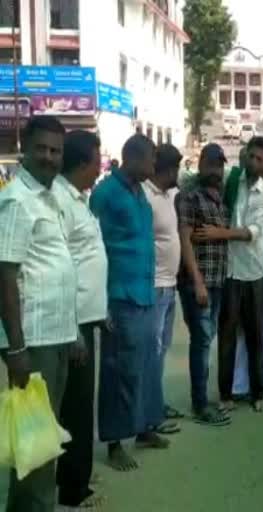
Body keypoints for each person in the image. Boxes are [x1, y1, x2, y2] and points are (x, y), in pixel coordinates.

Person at [0, 116, 77, 512]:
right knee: (37, 452)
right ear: (24, 149)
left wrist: (73, 332)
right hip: (33, 341)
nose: (49, 157)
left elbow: (55, 269)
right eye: (42, 149)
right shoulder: (17, 200)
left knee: (39, 445)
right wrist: (15, 349)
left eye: (56, 151)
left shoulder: (49, 198)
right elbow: (5, 274)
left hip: (55, 335)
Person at [91, 134, 167, 472]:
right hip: (119, 296)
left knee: (147, 366)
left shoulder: (140, 194)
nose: (155, 166)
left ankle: (145, 427)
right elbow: (91, 249)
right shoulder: (106, 194)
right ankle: (115, 442)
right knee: (118, 371)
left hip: (145, 293)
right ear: (135, 158)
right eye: (152, 159)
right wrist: (100, 302)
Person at [54, 130, 108, 509]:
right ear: (83, 162)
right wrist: (74, 329)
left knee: (77, 404)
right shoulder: (61, 201)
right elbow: (63, 270)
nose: (99, 167)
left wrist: (99, 313)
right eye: (97, 159)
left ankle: (74, 474)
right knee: (75, 406)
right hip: (70, 324)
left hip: (86, 319)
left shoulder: (79, 198)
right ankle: (74, 489)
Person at [211, 136, 263, 412]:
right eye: (251, 156)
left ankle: (257, 393)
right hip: (230, 270)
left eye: (260, 159)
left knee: (255, 335)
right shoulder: (232, 178)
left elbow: (251, 233)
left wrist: (219, 234)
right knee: (226, 333)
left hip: (255, 271)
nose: (253, 162)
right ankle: (225, 395)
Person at [176, 143, 231, 426]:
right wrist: (197, 283)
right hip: (198, 283)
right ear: (200, 165)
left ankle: (204, 399)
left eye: (219, 165)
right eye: (210, 164)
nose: (215, 170)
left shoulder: (219, 197)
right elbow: (185, 241)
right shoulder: (189, 197)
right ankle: (199, 405)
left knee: (207, 341)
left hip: (218, 280)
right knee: (201, 343)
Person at [142, 144, 183, 433]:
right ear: (167, 169)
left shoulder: (171, 194)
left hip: (170, 287)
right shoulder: (144, 196)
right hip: (153, 287)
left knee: (162, 350)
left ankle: (156, 404)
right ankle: (149, 415)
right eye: (176, 168)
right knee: (151, 353)